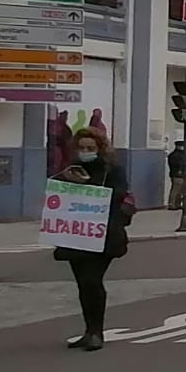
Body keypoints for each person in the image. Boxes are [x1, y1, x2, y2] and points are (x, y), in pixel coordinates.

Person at [54, 126, 131, 350]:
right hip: (76, 234)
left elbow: (119, 194)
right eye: (81, 148)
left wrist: (86, 185)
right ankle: (89, 331)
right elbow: (57, 194)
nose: (85, 151)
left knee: (92, 280)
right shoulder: (71, 168)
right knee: (82, 284)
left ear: (100, 148)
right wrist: (65, 181)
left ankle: (97, 332)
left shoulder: (112, 170)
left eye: (90, 148)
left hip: (104, 234)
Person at [166, 138, 186, 209]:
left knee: (179, 190)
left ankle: (177, 204)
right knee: (176, 190)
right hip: (178, 174)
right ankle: (172, 204)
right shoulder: (177, 155)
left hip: (176, 174)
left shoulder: (173, 154)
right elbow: (178, 164)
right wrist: (180, 170)